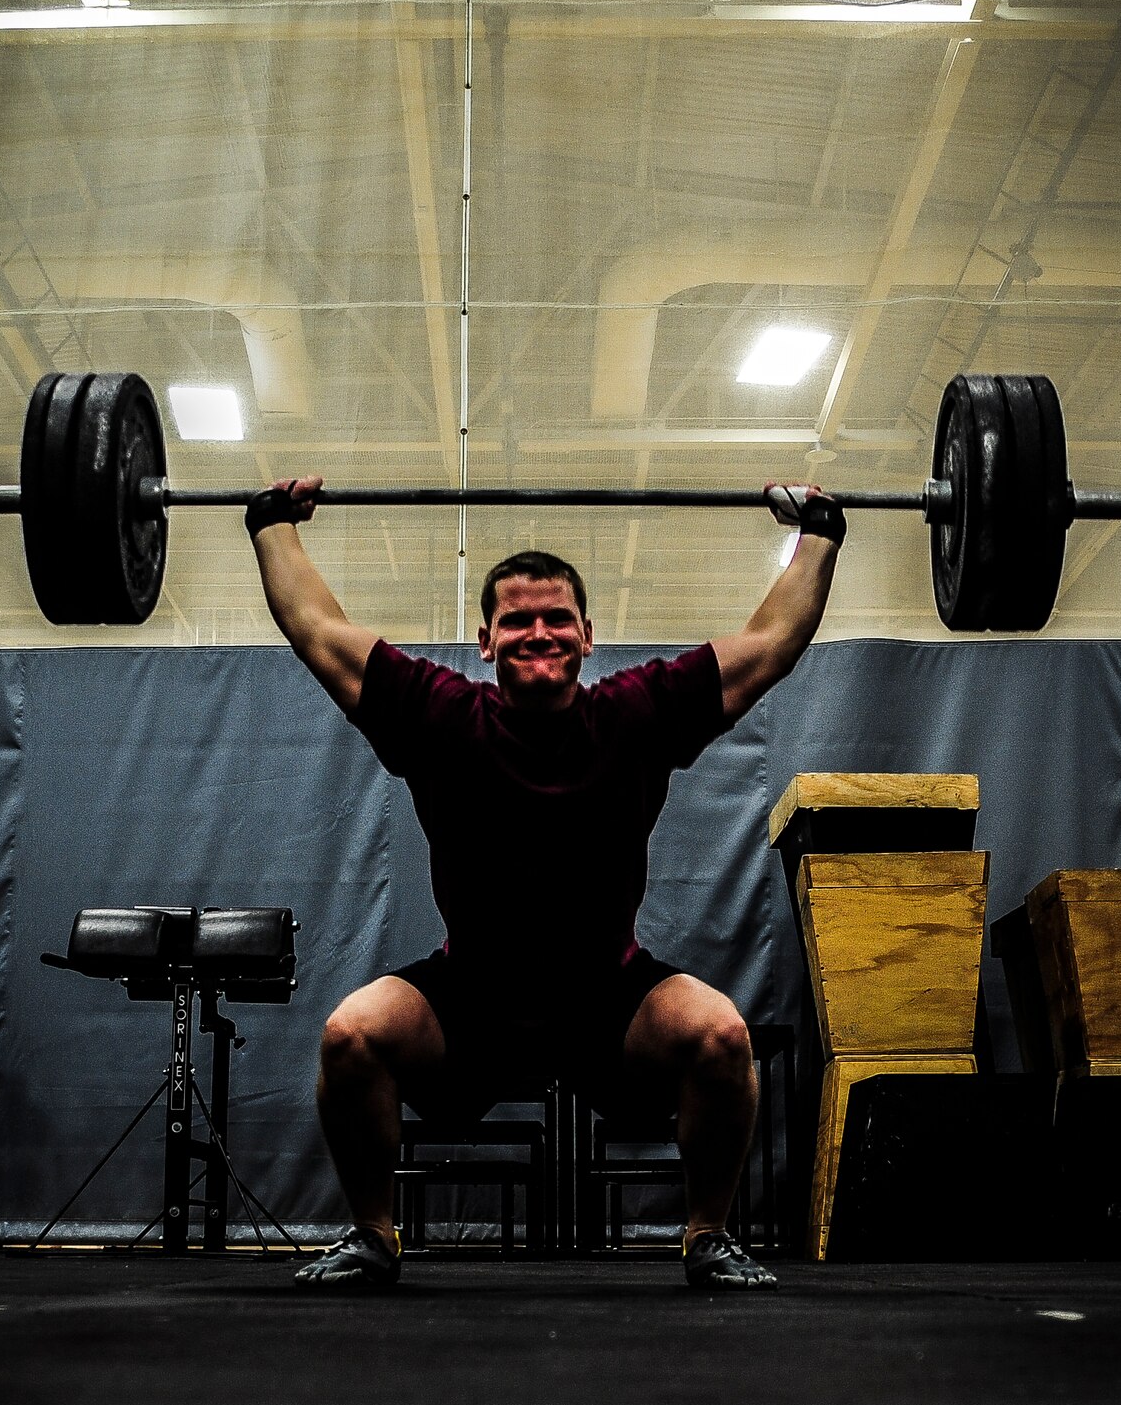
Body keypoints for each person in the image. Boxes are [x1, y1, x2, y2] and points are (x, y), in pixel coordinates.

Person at [246, 478, 844, 1290]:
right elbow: (316, 629)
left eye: (556, 617)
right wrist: (271, 525)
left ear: (588, 636)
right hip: (472, 998)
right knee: (353, 1036)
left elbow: (771, 643)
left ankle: (708, 1236)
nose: (539, 632)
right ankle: (373, 1237)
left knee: (721, 1037)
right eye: (517, 619)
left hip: (610, 997)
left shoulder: (639, 714)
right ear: (485, 639)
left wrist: (821, 533)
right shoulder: (438, 715)